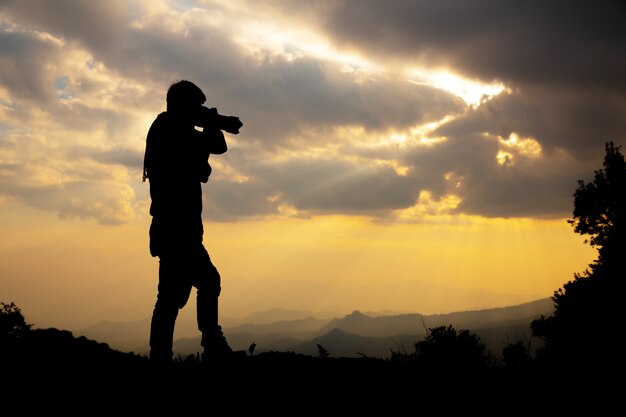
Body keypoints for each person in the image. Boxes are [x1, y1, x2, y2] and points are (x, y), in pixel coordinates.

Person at [142, 80, 242, 363]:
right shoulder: (171, 131)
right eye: (195, 106)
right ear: (183, 106)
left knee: (171, 298)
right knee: (204, 283)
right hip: (177, 229)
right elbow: (215, 146)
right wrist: (212, 120)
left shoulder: (166, 128)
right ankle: (210, 343)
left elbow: (215, 147)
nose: (199, 110)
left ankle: (163, 355)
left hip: (174, 228)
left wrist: (209, 121)